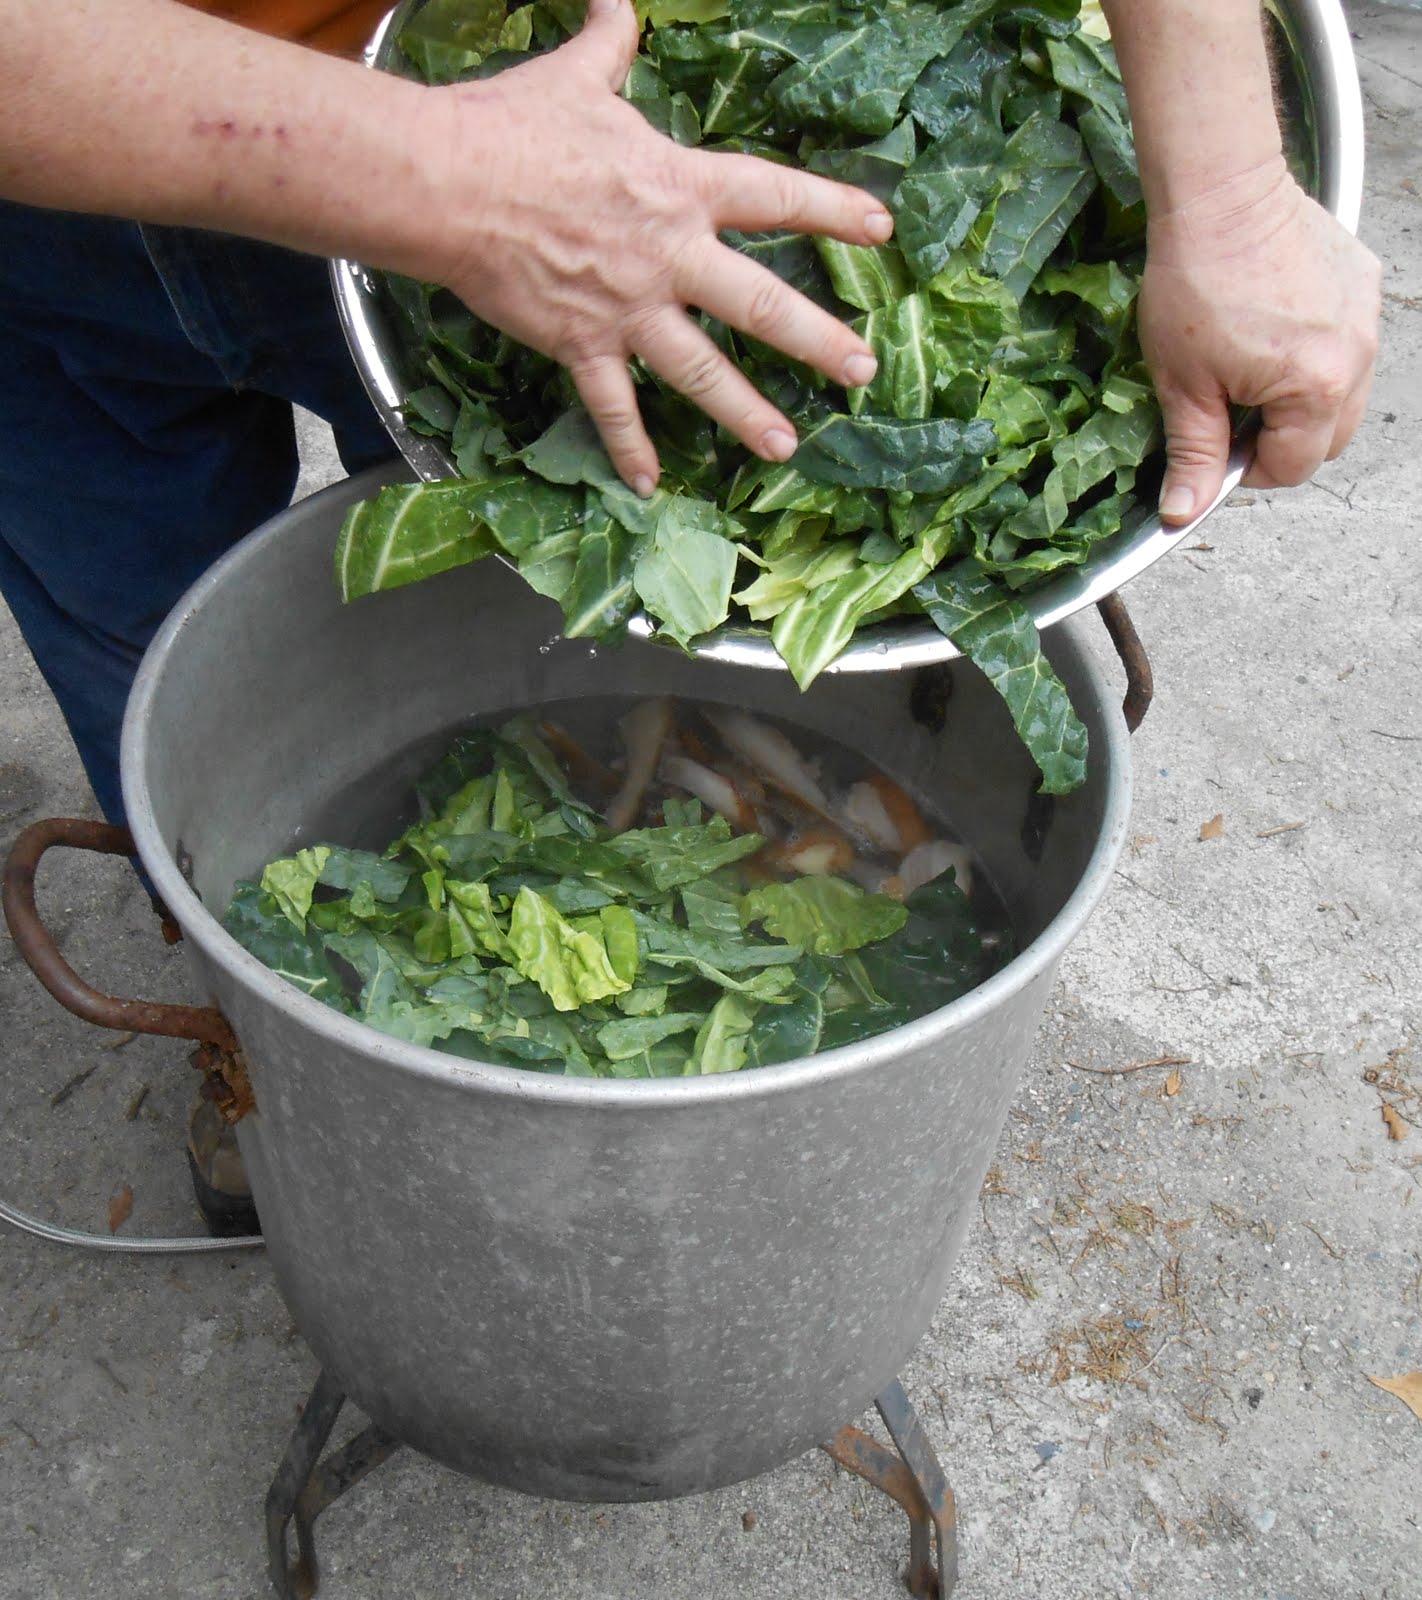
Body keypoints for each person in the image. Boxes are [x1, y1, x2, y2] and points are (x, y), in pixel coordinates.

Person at [0, 0, 1380, 1235]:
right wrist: (454, 188)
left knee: (553, 541)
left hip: (570, 115)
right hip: (60, 166)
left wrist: (1232, 195)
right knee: (136, 638)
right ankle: (264, 1046)